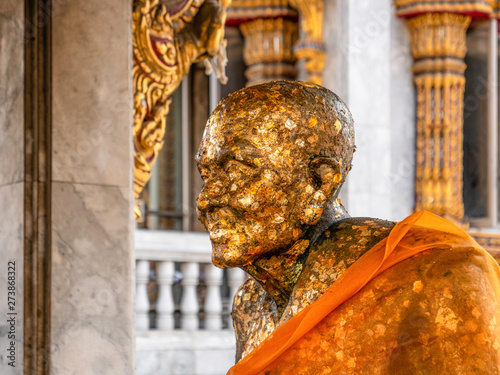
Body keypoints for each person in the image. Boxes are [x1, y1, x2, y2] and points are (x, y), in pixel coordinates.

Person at [195, 81, 500, 374]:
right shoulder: (251, 302)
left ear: (319, 183)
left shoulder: (436, 279)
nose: (205, 199)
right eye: (206, 174)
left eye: (237, 170)